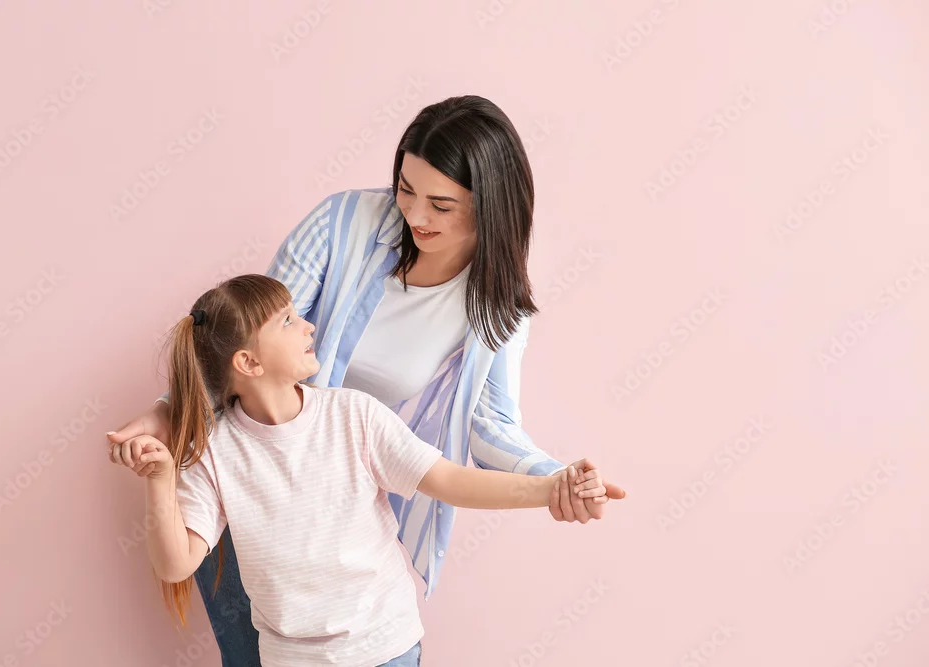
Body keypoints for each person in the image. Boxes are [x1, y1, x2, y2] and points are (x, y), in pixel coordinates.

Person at [107, 94, 625, 666]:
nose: (415, 215)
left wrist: (555, 482)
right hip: (256, 508)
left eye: (441, 204)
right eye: (405, 188)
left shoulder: (375, 404)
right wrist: (169, 411)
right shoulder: (342, 223)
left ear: (489, 205)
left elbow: (482, 435)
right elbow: (245, 335)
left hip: (353, 523)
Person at [108, 274, 610, 666]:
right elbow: (175, 565)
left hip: (386, 647)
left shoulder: (354, 415)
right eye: (287, 321)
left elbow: (450, 480)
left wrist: (550, 487)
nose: (308, 326)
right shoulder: (216, 452)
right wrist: (160, 480)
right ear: (249, 363)